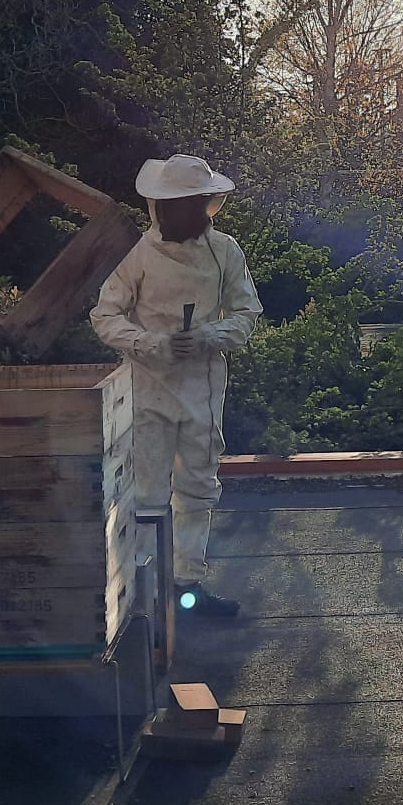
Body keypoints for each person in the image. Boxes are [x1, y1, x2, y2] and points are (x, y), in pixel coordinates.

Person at [91, 154, 263, 617]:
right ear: (158, 207)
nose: (181, 215)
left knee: (197, 488)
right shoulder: (137, 255)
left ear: (205, 205)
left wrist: (209, 336)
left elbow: (247, 315)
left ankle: (187, 585)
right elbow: (105, 315)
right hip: (147, 388)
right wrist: (149, 343)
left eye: (191, 205)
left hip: (202, 388)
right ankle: (143, 588)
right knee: (145, 490)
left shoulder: (225, 251)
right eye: (174, 206)